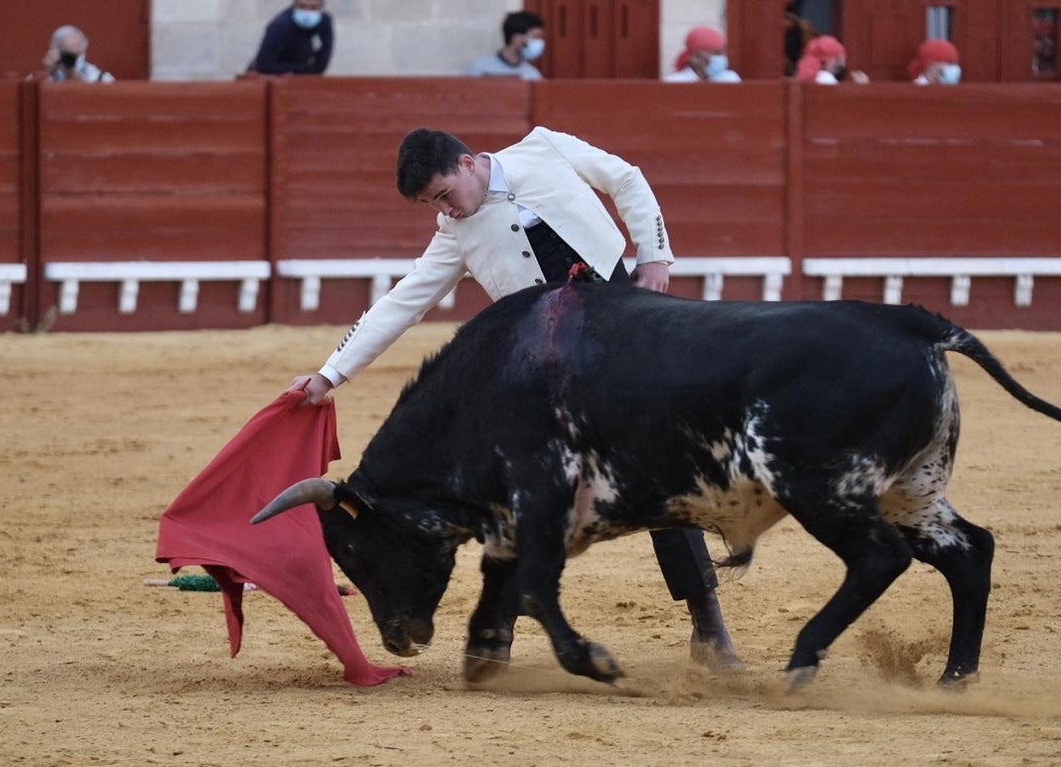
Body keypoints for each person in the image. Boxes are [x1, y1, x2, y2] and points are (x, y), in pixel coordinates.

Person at [289, 126, 743, 672]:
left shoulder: (544, 148)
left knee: (661, 472)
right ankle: (495, 631)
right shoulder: (454, 232)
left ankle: (708, 624)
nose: (445, 211)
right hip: (546, 370)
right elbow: (401, 304)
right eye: (432, 205)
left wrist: (656, 257)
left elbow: (626, 179)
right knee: (520, 489)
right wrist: (329, 374)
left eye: (444, 195)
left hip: (624, 338)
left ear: (468, 164)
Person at [248, 0, 333, 75]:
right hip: (270, 74)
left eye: (314, 7)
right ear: (294, 6)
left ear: (321, 7)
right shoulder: (280, 25)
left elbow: (321, 64)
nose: (308, 11)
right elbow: (264, 65)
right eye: (302, 6)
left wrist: (309, 68)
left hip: (301, 69)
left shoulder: (324, 21)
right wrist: (305, 67)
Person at [466, 11, 545, 79]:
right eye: (535, 37)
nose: (539, 42)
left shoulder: (532, 74)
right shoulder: (480, 69)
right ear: (516, 38)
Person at [663, 26, 741, 83]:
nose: (721, 58)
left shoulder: (730, 79)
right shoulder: (674, 82)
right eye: (715, 53)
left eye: (722, 53)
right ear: (695, 57)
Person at [41, 25, 114, 83]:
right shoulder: (46, 78)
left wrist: (71, 73)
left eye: (77, 54)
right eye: (67, 54)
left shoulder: (101, 79)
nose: (70, 59)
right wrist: (49, 72)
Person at [793, 35, 869, 84]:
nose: (842, 65)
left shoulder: (803, 77)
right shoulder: (826, 79)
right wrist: (862, 88)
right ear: (830, 60)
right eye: (838, 59)